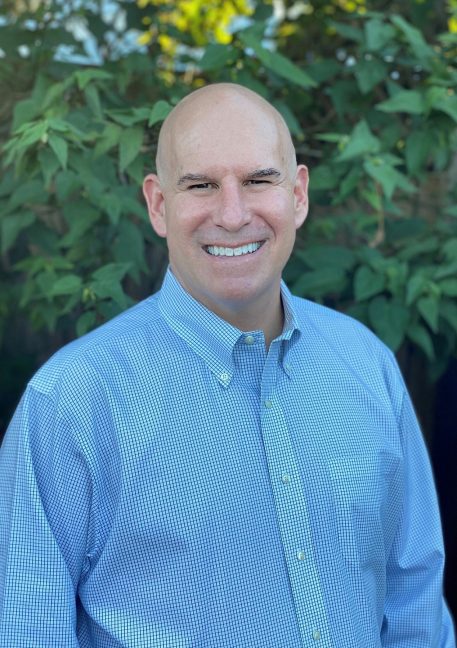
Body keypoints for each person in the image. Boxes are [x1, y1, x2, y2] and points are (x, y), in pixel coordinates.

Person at [0, 83, 454, 648]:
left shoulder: (366, 367)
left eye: (259, 180)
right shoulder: (71, 402)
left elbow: (414, 605)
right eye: (201, 185)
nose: (234, 215)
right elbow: (27, 631)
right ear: (159, 205)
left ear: (299, 195)